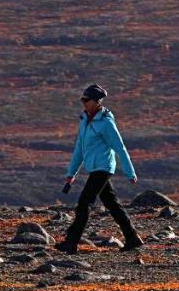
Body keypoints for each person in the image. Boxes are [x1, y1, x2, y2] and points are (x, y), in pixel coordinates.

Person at [55, 83, 144, 253]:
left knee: (83, 203)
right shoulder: (84, 121)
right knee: (112, 204)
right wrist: (71, 173)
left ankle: (71, 242)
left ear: (96, 101)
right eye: (83, 99)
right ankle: (132, 237)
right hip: (93, 167)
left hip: (103, 168)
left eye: (86, 100)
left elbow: (120, 148)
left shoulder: (106, 123)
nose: (84, 103)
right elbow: (79, 149)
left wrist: (130, 172)